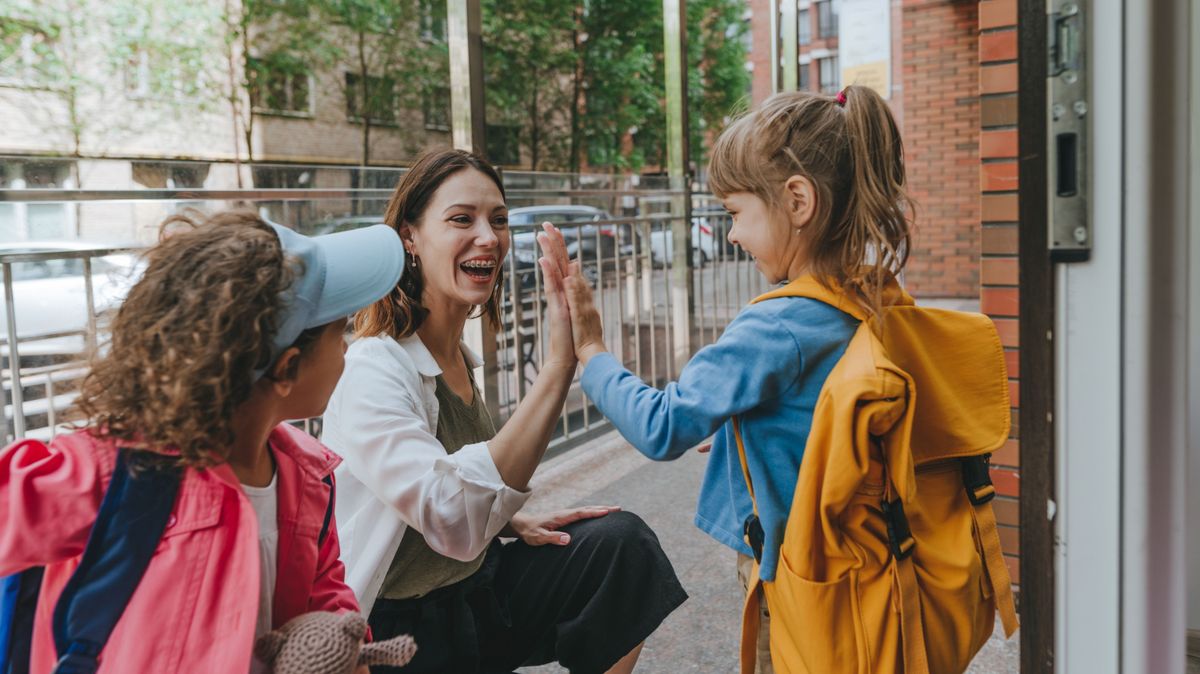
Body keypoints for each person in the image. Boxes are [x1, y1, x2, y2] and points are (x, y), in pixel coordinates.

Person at [561, 86, 915, 673]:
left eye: (735, 213)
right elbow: (825, 416)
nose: (731, 235)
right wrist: (740, 431)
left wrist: (593, 352)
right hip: (870, 553)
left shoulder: (776, 323)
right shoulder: (878, 295)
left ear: (797, 201)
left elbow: (662, 426)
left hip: (797, 573)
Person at [322, 149, 686, 674]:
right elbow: (443, 511)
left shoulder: (459, 357)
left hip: (473, 594)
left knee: (619, 547)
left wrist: (510, 521)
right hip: (399, 631)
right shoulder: (373, 366)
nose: (489, 238)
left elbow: (446, 478)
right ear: (410, 238)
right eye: (461, 219)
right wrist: (562, 364)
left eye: (498, 220)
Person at [0, 210, 405, 673]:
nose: (348, 349)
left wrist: (344, 642)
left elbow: (326, 595)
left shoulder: (309, 478)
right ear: (287, 368)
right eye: (342, 333)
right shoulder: (113, 472)